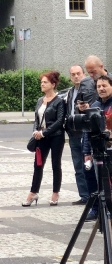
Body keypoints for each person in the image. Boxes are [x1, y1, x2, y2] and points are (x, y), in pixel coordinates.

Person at [82, 75, 112, 221]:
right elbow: (88, 131)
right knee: (101, 185)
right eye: (99, 86)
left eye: (104, 86)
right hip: (97, 152)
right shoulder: (94, 105)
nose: (101, 89)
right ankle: (102, 213)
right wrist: (86, 152)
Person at [23, 71, 66, 207]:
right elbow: (37, 118)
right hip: (41, 137)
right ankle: (33, 193)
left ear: (53, 84)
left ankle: (55, 193)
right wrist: (35, 131)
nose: (42, 84)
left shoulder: (59, 101)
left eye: (45, 82)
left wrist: (44, 132)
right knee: (38, 164)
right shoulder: (39, 100)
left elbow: (59, 121)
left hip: (56, 136)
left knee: (55, 164)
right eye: (41, 82)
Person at [63, 65, 97, 205]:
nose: (76, 76)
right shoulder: (70, 92)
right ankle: (84, 196)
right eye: (73, 74)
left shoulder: (89, 90)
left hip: (85, 131)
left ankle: (92, 195)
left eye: (78, 73)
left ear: (84, 74)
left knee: (87, 165)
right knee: (78, 166)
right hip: (73, 132)